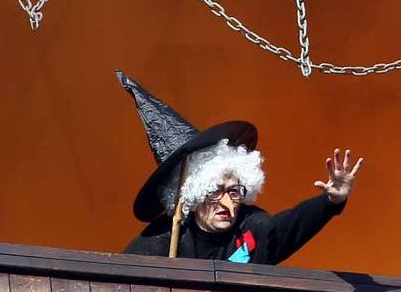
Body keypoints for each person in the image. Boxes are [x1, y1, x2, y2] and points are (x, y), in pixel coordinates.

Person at [116, 71, 362, 265]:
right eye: (215, 191)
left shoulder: (251, 227)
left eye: (234, 191)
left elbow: (286, 228)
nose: (227, 203)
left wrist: (331, 202)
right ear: (193, 197)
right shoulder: (162, 239)